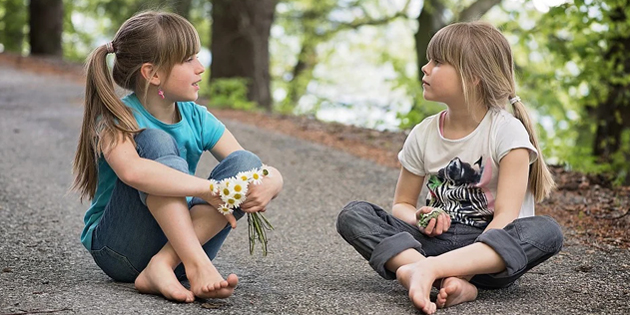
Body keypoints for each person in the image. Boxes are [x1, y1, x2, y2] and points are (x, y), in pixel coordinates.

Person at [336, 21, 563, 314]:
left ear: (473, 77)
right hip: (431, 242)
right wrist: (420, 217)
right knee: (355, 214)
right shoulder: (424, 132)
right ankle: (428, 274)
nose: (425, 68)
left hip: (487, 256)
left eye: (438, 62)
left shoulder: (507, 132)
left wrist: (462, 272)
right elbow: (402, 204)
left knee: (546, 231)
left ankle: (418, 272)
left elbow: (505, 219)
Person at [71, 11, 283, 303]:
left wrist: (273, 180)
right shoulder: (116, 119)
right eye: (188, 60)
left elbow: (249, 166)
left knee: (246, 163)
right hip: (121, 250)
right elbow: (132, 172)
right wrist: (209, 189)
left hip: (181, 248)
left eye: (197, 57)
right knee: (155, 140)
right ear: (153, 74)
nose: (200, 68)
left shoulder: (197, 118)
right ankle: (194, 264)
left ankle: (164, 264)